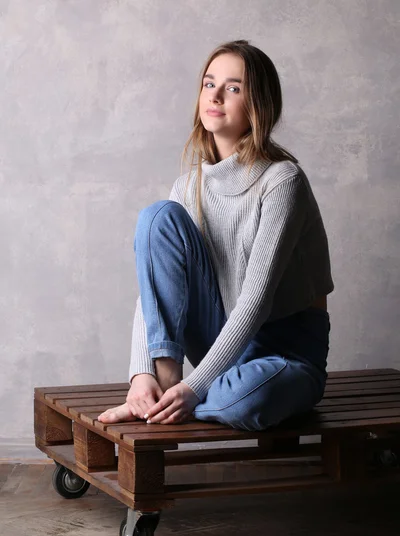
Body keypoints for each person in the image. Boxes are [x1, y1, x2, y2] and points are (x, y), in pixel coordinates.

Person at [98, 39, 334, 431]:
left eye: (234, 87)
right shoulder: (188, 187)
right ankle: (164, 382)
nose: (217, 95)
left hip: (284, 356)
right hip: (221, 342)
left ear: (258, 104)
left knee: (244, 402)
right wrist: (141, 375)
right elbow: (154, 291)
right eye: (210, 84)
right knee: (158, 217)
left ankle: (189, 396)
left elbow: (256, 301)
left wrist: (196, 387)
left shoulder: (282, 181)